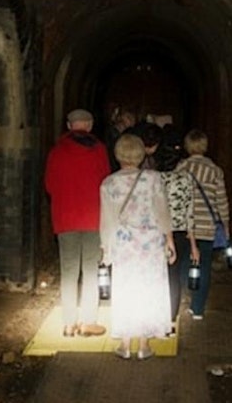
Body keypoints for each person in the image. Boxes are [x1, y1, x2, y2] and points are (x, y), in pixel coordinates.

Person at [100, 134, 176, 359]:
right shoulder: (153, 179)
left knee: (126, 289)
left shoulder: (109, 183)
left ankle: (124, 344)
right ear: (141, 154)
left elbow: (107, 220)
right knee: (148, 289)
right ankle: (144, 345)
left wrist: (106, 248)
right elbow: (163, 212)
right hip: (150, 244)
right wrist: (170, 240)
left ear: (118, 154)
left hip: (124, 245)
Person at [44, 109, 111, 337]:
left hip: (65, 219)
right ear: (90, 125)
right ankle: (88, 321)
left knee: (69, 271)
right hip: (93, 218)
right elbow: (106, 183)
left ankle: (69, 322)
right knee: (91, 270)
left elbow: (49, 185)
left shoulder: (57, 151)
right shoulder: (99, 150)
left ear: (69, 125)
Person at [174, 129, 229, 321]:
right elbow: (221, 200)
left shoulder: (181, 168)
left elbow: (176, 198)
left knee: (183, 264)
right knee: (204, 266)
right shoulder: (215, 170)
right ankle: (198, 308)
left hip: (185, 226)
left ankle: (185, 296)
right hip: (207, 227)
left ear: (188, 146)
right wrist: (225, 223)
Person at [157, 130, 196, 334]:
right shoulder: (186, 180)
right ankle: (170, 321)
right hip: (180, 232)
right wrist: (194, 244)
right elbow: (190, 212)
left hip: (157, 233)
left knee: (156, 276)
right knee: (174, 278)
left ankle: (155, 316)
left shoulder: (154, 179)